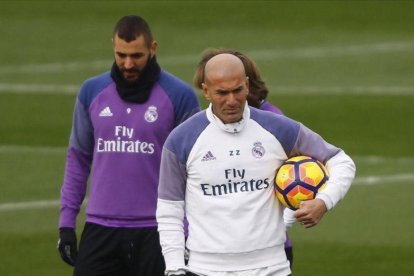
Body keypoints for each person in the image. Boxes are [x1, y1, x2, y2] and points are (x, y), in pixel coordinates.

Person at [156, 53, 355, 276]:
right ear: (206, 91)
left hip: (272, 269)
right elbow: (169, 210)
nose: (231, 100)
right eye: (222, 93)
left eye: (237, 90)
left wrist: (323, 202)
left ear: (247, 86)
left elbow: (341, 161)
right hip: (205, 269)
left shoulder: (279, 129)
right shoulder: (182, 140)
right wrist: (174, 269)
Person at [57, 15, 200, 276]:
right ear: (112, 45)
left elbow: (194, 171)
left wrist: (188, 234)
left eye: (136, 55)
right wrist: (66, 224)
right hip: (101, 229)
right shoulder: (92, 92)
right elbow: (77, 159)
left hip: (158, 231)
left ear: (153, 49)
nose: (128, 63)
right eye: (121, 54)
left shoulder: (180, 97)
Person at [193, 48, 294, 267]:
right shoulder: (208, 126)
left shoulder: (274, 122)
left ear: (246, 84)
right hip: (215, 252)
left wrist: (281, 225)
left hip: (268, 252)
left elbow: (298, 181)